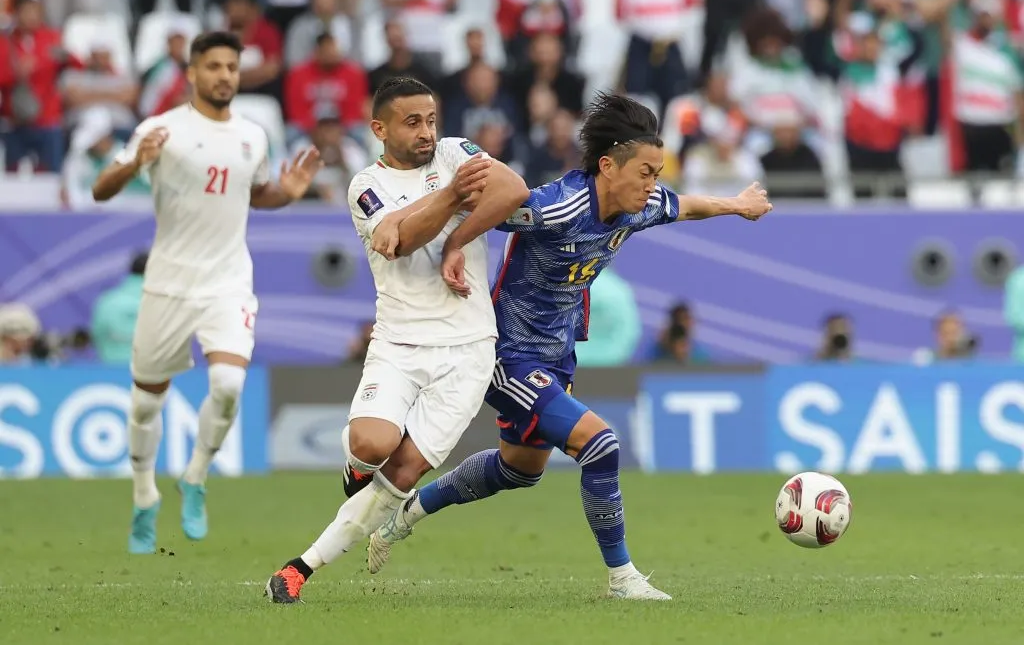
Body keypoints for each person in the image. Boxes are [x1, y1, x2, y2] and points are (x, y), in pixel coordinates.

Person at [366, 93, 772, 600]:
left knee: (518, 469)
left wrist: (739, 205)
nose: (653, 185)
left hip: (556, 357)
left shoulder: (637, 207)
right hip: (505, 354)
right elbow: (479, 203)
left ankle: (412, 510)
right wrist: (400, 221)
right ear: (608, 165)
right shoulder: (557, 208)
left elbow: (687, 205)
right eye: (646, 172)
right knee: (600, 445)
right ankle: (622, 578)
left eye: (657, 172)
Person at [264, 77, 529, 603]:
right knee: (372, 445)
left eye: (431, 120)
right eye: (413, 122)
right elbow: (400, 241)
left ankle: (300, 569)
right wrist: (451, 196)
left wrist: (456, 236)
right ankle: (356, 465)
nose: (428, 132)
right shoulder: (366, 185)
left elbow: (513, 190)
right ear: (379, 128)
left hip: (471, 345)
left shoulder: (456, 152)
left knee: (403, 474)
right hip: (401, 341)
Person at [91, 31, 322, 555]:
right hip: (168, 283)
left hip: (227, 281)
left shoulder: (253, 136)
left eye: (231, 67)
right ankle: (145, 494)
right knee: (146, 404)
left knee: (227, 385)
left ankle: (194, 477)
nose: (224, 76)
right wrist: (132, 163)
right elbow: (100, 188)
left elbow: (251, 194)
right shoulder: (161, 129)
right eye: (213, 66)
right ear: (192, 73)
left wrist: (284, 195)